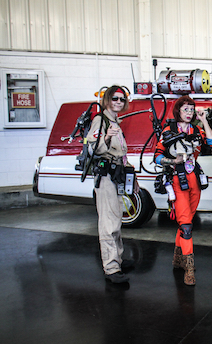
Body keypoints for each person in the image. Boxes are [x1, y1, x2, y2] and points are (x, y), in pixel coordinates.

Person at [154, 95, 212, 285]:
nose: (189, 113)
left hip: (194, 178)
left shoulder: (196, 129)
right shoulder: (168, 130)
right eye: (185, 109)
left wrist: (204, 119)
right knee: (186, 224)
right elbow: (156, 156)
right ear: (178, 111)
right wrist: (173, 161)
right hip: (176, 178)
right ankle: (189, 268)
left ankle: (178, 258)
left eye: (191, 109)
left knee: (186, 220)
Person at [86, 85, 134, 284]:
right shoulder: (100, 120)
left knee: (117, 219)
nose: (118, 102)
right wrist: (106, 136)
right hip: (105, 177)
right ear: (107, 100)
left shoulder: (115, 121)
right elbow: (92, 149)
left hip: (117, 175)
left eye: (122, 99)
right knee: (108, 222)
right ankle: (111, 267)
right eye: (114, 98)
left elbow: (121, 154)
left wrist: (133, 177)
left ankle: (118, 259)